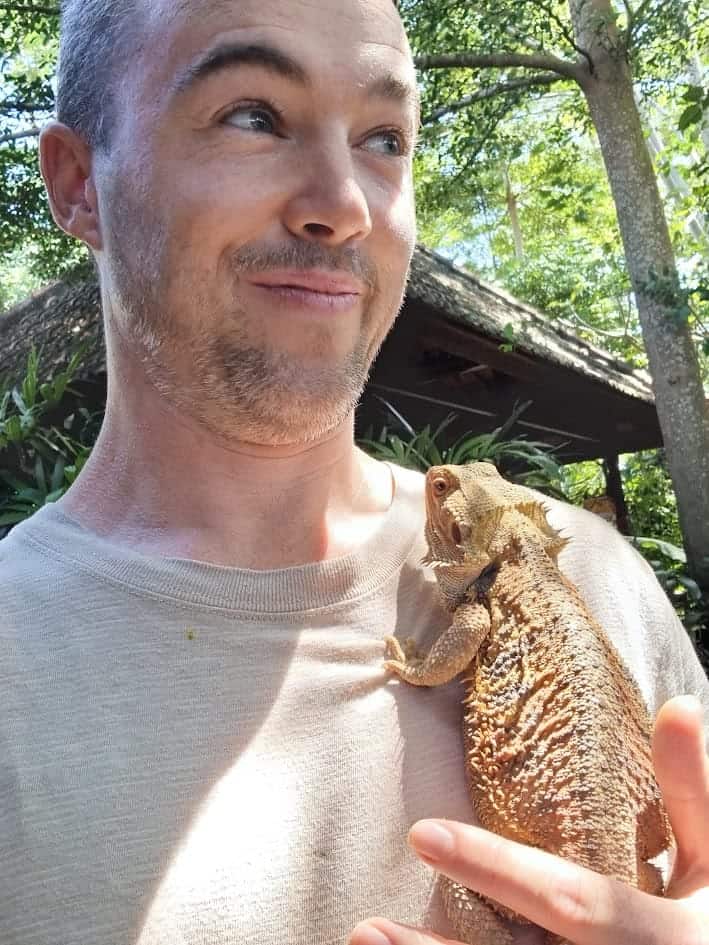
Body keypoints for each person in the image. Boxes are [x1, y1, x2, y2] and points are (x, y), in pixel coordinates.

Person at [1, 0, 708, 942]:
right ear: (78, 182)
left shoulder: (599, 576)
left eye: (384, 138)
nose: (343, 205)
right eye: (253, 115)